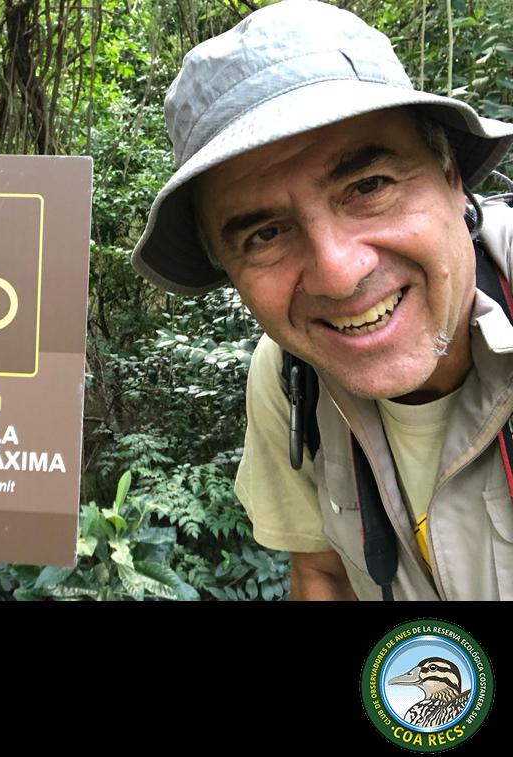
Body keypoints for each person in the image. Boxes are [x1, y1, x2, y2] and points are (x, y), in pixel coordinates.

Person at [131, 0, 513, 600]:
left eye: (369, 186)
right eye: (265, 235)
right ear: (229, 269)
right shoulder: (289, 376)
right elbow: (322, 572)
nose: (337, 275)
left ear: (450, 175)